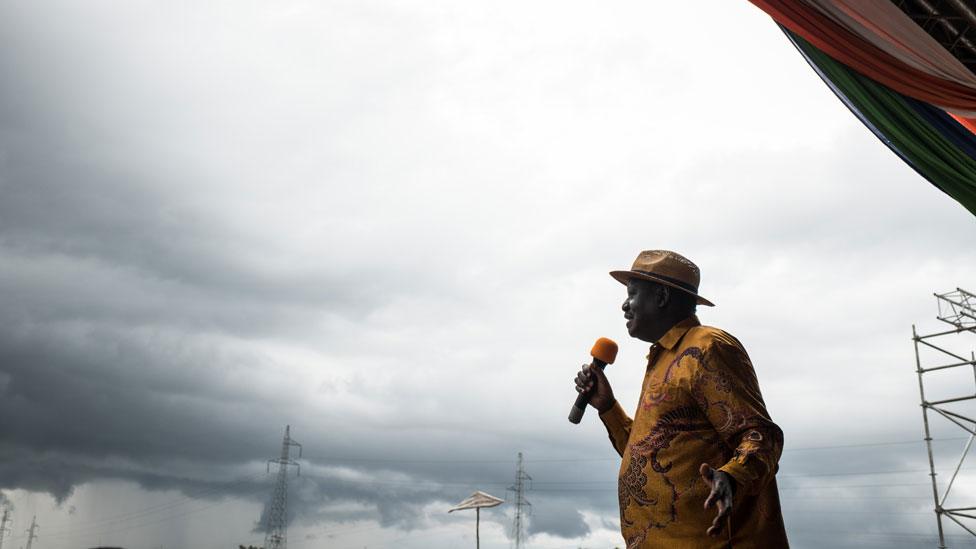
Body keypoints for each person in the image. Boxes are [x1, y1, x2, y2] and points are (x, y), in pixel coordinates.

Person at [575, 250, 789, 549]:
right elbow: (651, 457)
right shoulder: (663, 358)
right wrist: (608, 407)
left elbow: (761, 436)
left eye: (633, 294)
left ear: (661, 296)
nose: (624, 306)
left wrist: (732, 477)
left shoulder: (707, 348)